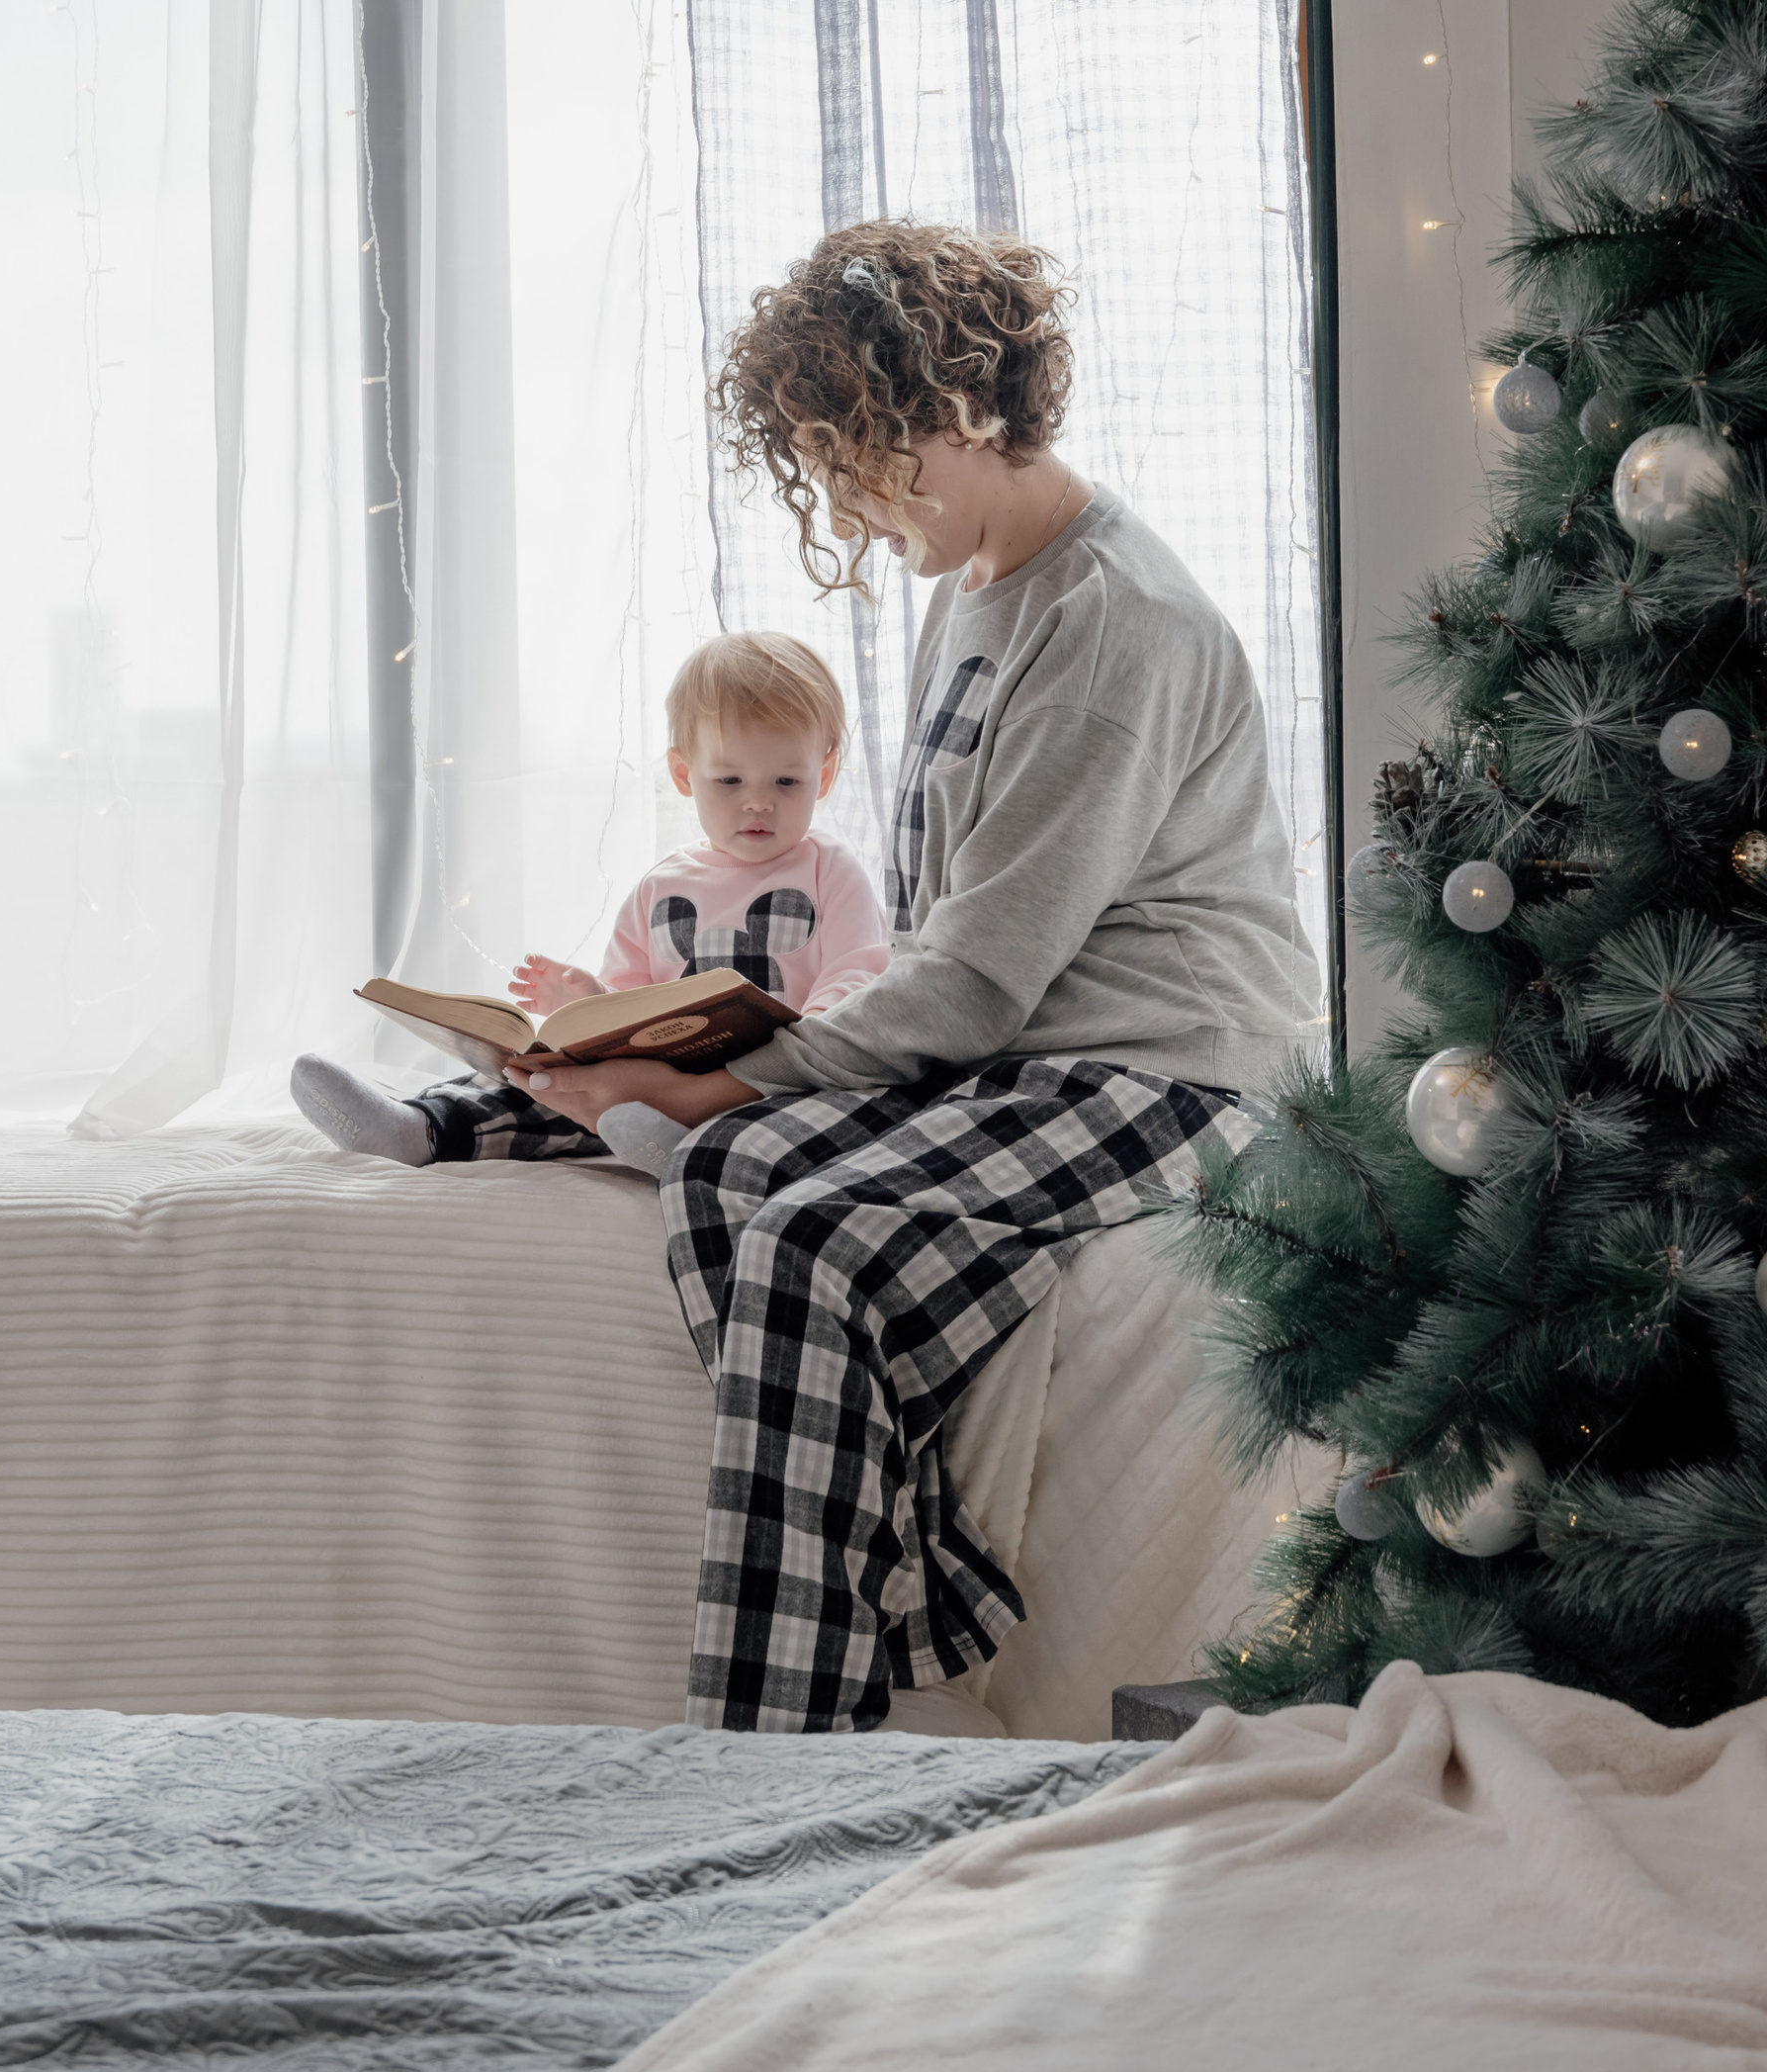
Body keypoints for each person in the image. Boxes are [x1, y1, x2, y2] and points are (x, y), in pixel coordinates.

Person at [505, 220, 1320, 1732]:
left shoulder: (1114, 624)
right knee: (719, 1173)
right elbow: (954, 947)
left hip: (1172, 1064)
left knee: (808, 1238)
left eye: (858, 465)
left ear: (953, 417)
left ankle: (778, 1760)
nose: (846, 507)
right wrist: (733, 1084)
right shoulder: (977, 585)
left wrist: (724, 1065)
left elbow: (974, 987)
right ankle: (929, 1576)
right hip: (1026, 1054)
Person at [288, 633, 889, 1167]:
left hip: (766, 1084)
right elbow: (629, 1012)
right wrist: (587, 1003)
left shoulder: (828, 869)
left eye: (787, 781)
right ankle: (421, 1127)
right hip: (653, 1079)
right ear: (683, 775)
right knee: (540, 1083)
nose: (758, 803)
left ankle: (686, 1155)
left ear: (825, 774)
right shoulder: (662, 887)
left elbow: (858, 975)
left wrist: (799, 1038)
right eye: (729, 781)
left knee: (801, 1126)